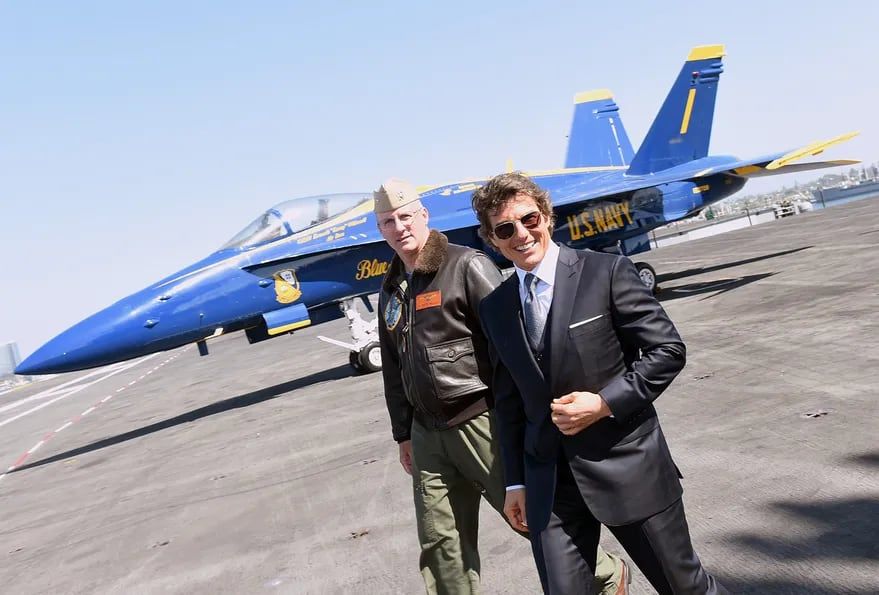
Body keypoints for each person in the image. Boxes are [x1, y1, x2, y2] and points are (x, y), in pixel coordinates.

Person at [471, 172, 728, 594]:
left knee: (685, 588)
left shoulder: (605, 272)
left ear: (546, 216)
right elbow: (508, 401)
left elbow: (667, 350)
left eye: (529, 219)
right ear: (492, 240)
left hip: (627, 466)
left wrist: (605, 402)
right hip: (550, 484)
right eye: (505, 229)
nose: (521, 234)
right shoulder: (495, 308)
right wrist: (515, 482)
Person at [374, 177, 627, 595]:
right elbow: (394, 366)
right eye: (388, 221)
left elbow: (514, 344)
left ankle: (605, 574)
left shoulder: (465, 265)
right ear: (380, 229)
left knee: (529, 517)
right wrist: (403, 432)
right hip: (427, 433)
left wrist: (528, 420)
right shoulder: (390, 287)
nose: (399, 227)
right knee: (440, 544)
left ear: (423, 215)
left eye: (405, 217)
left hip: (481, 421)